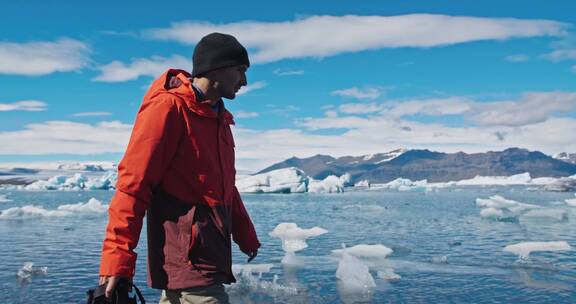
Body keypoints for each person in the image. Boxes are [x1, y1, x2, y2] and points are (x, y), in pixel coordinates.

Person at [98, 32, 261, 304]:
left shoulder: (218, 118)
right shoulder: (169, 108)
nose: (244, 81)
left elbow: (224, 186)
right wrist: (117, 258)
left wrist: (245, 234)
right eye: (240, 70)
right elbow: (133, 185)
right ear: (217, 68)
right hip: (189, 257)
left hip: (207, 252)